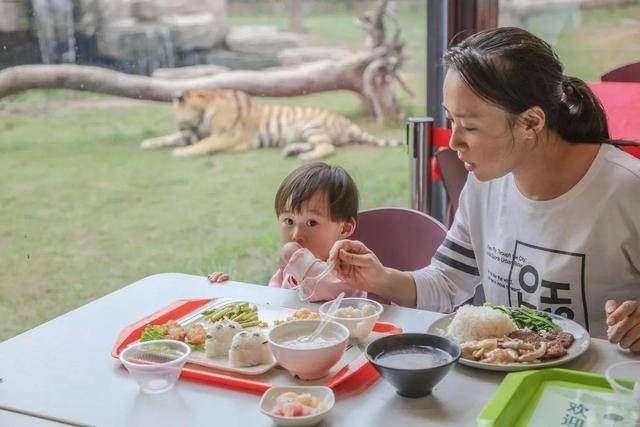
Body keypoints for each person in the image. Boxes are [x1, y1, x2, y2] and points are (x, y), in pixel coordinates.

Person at [328, 27, 640, 352]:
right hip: (505, 378)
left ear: (531, 122)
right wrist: (381, 278)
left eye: (470, 126)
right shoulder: (485, 183)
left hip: (599, 390)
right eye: (450, 121)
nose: (453, 142)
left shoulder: (626, 189)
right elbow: (449, 282)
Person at [208, 162, 365, 302]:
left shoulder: (350, 271)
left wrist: (297, 258)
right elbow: (269, 301)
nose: (296, 235)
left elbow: (326, 288)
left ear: (344, 228)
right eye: (289, 221)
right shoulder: (289, 270)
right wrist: (231, 291)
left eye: (311, 223)